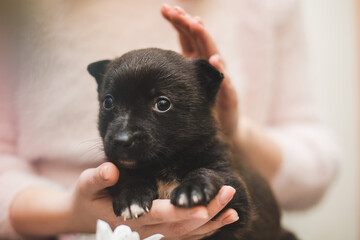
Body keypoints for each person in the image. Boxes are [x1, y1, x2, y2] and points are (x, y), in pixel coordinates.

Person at [0, 0, 339, 239]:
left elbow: (309, 162)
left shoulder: (267, 6)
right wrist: (72, 213)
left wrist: (238, 133)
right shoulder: (18, 11)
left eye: (161, 103)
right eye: (109, 103)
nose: (123, 132)